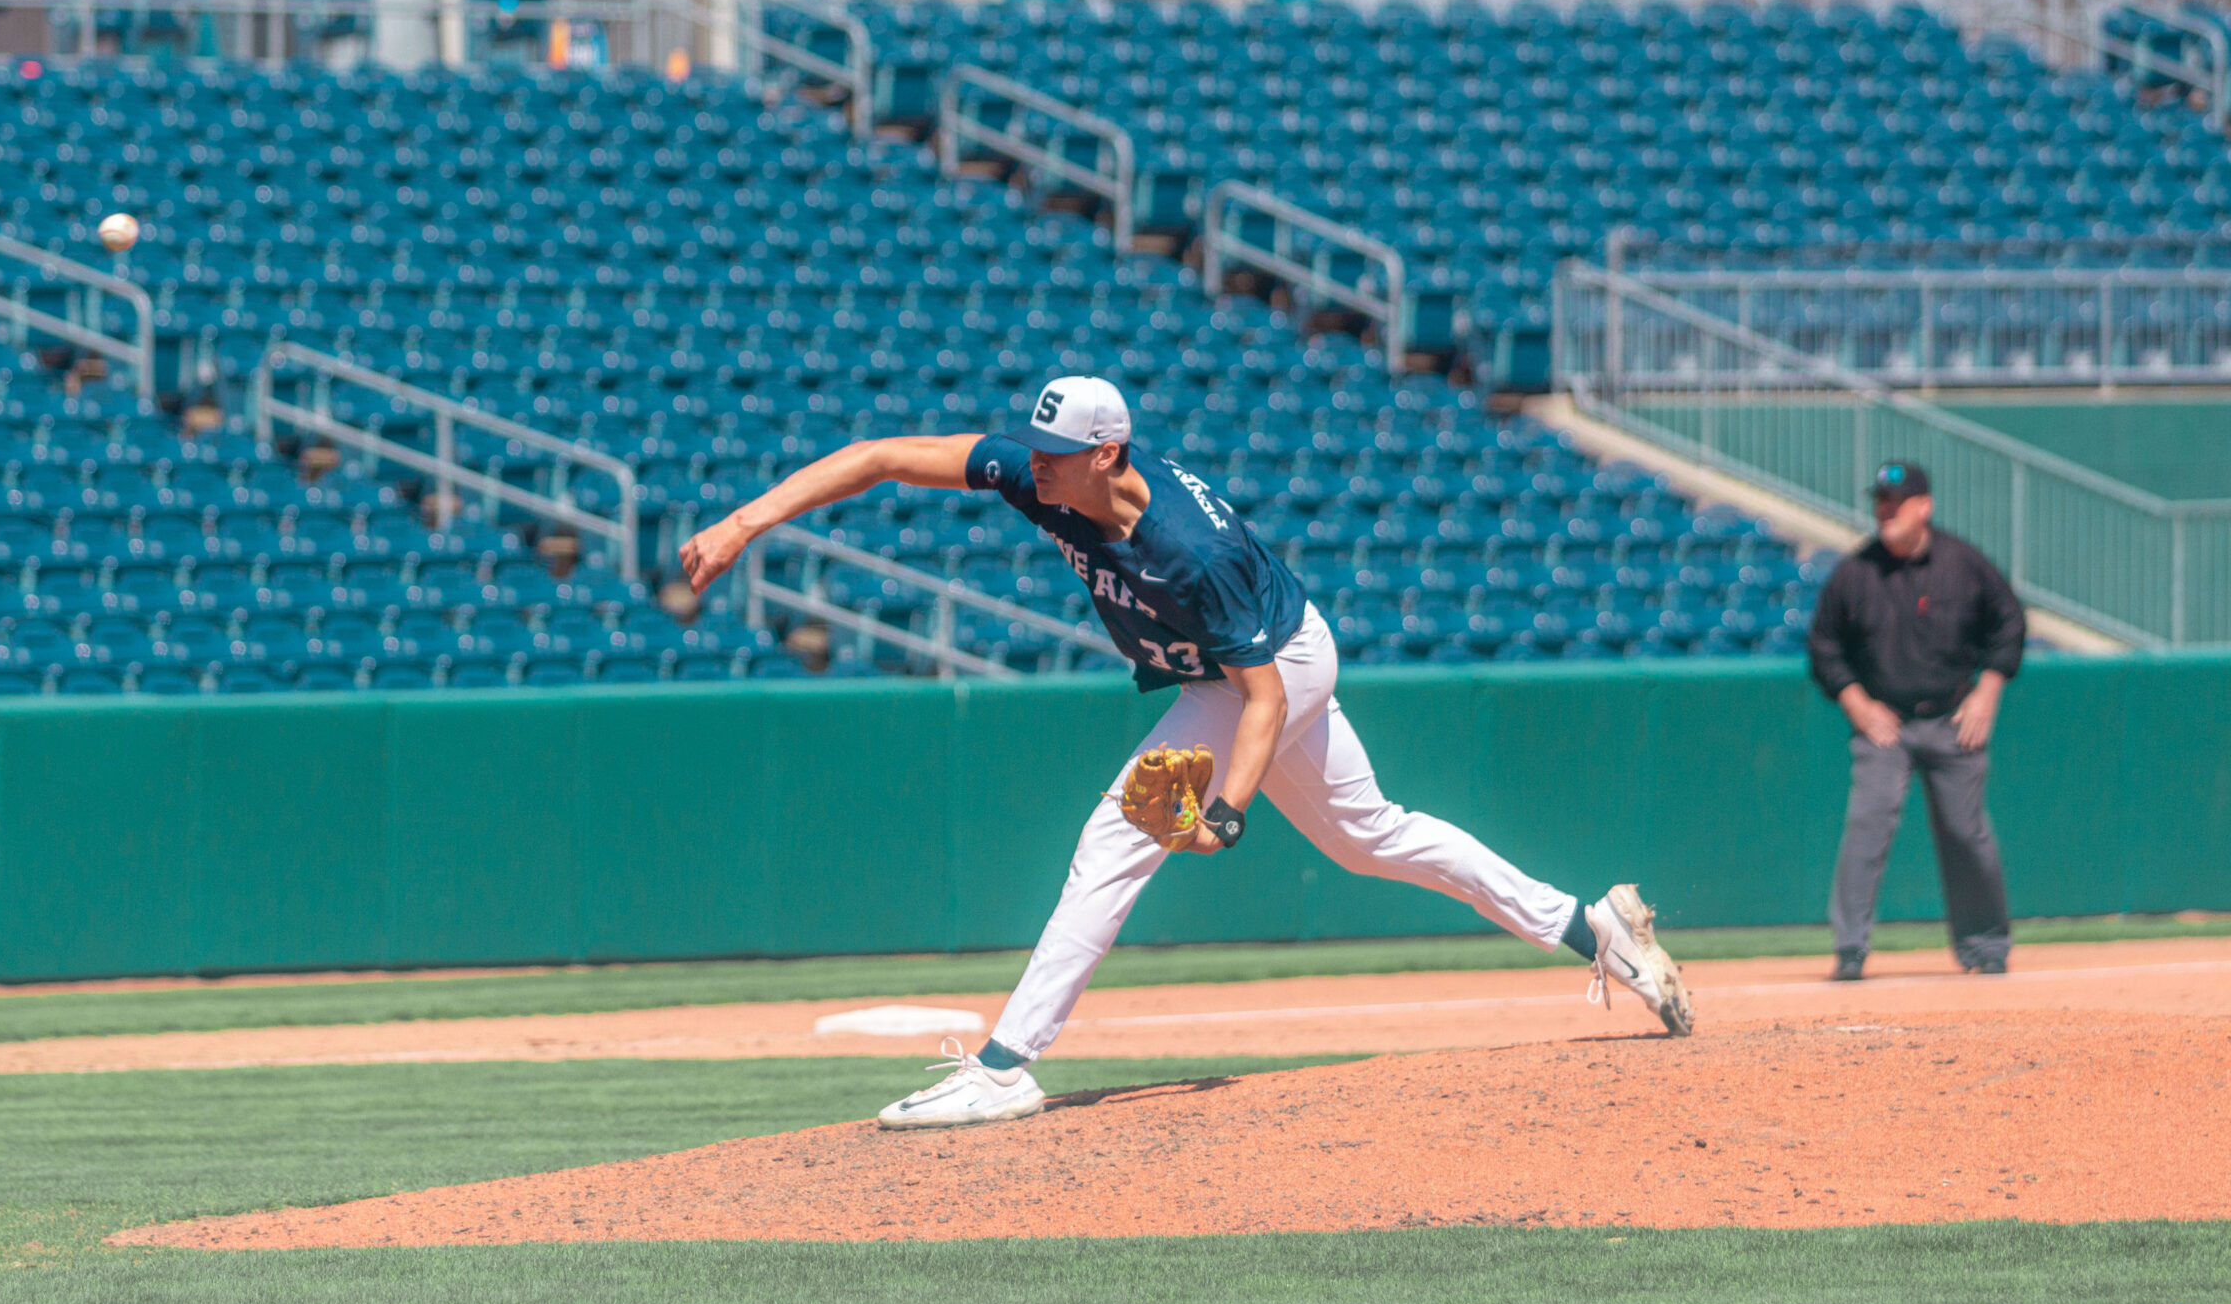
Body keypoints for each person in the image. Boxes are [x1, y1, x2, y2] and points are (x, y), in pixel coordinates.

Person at [679, 375, 1696, 1130]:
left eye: (1055, 456)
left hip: (1269, 666)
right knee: (1370, 838)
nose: (1031, 468)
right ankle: (1596, 930)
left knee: (1115, 837)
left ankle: (1005, 1064)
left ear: (1110, 454)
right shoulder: (1044, 479)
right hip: (1237, 669)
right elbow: (882, 456)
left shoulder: (1187, 549)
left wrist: (1229, 812)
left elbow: (1262, 698)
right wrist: (743, 521)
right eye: (1033, 451)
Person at [1807, 460, 2027, 982]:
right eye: (1880, 500)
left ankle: (1986, 944)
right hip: (1888, 727)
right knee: (1868, 826)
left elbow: (2009, 624)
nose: (1885, 510)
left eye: (1895, 501)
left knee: (1965, 831)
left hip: (1953, 721)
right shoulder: (1856, 572)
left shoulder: (1963, 564)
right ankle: (1851, 948)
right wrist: (1857, 704)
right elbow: (1824, 647)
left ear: (1923, 506)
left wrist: (1988, 691)